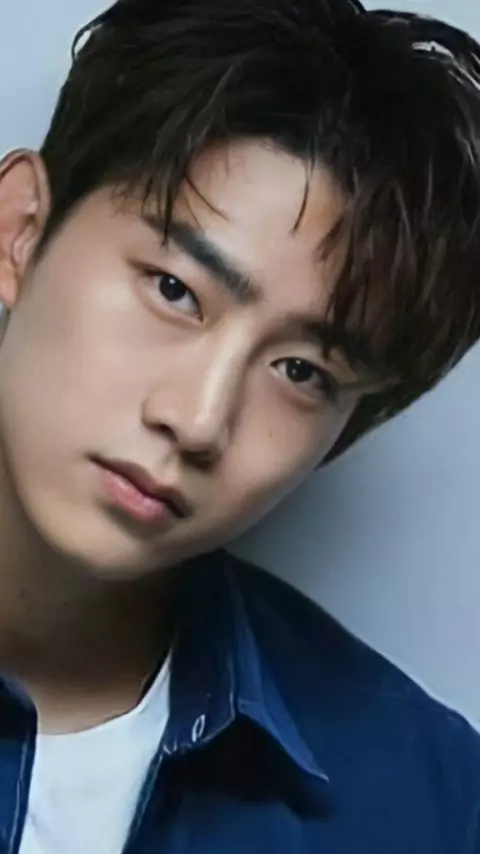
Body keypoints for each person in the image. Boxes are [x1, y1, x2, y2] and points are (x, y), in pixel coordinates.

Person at [0, 0, 479, 851]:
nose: (198, 420)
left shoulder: (425, 801)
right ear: (19, 233)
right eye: (174, 291)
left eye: (302, 372)